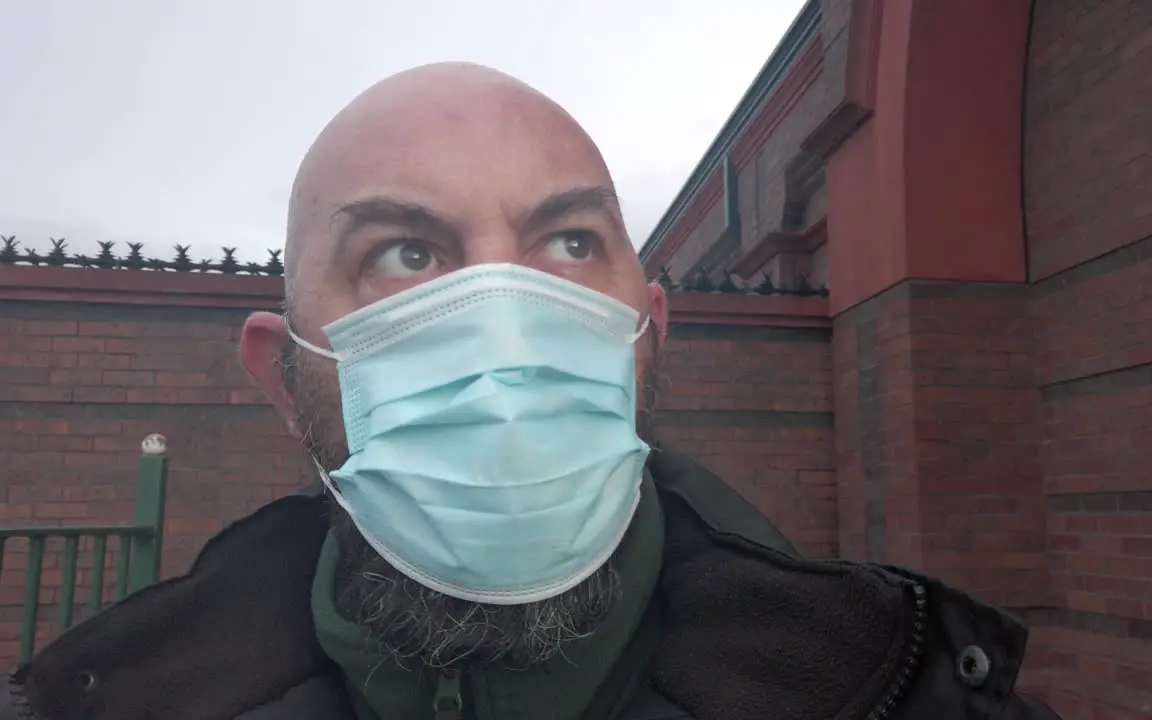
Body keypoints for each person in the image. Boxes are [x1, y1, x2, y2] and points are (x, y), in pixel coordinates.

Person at [3, 63, 1060, 720]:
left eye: (566, 241)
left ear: (647, 335)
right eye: (405, 254)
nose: (500, 321)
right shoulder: (105, 702)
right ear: (284, 376)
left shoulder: (903, 697)